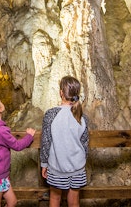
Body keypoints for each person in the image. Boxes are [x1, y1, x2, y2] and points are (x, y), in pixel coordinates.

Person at [40, 76, 89, 207]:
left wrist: (44, 164)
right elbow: (84, 144)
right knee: (74, 201)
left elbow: (46, 142)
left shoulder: (51, 114)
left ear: (61, 92)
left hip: (57, 167)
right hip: (77, 167)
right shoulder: (82, 116)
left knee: (55, 199)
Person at [0, 95, 36, 207]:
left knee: (12, 202)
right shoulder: (0, 131)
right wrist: (29, 136)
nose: (2, 102)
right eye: (0, 101)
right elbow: (17, 145)